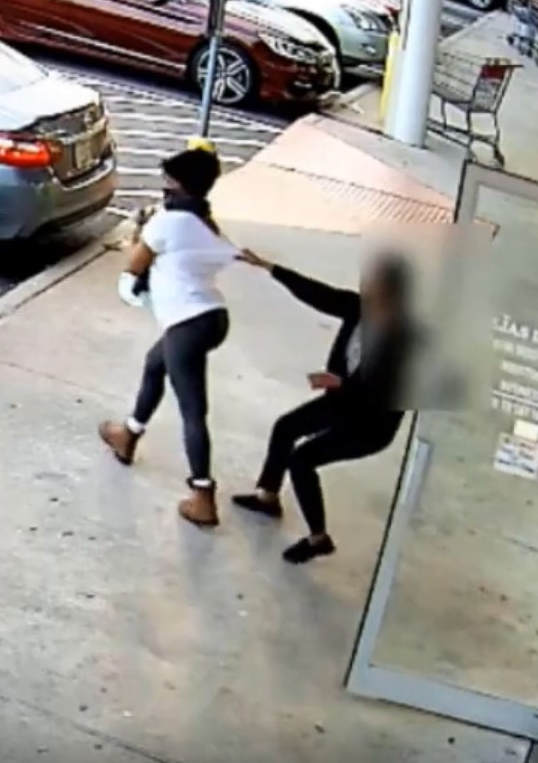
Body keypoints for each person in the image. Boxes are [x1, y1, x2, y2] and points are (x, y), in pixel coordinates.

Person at [230, 249, 416, 563]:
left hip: (370, 424)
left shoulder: (404, 339)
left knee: (302, 461)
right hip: (342, 402)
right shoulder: (361, 309)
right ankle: (268, 496)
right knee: (286, 427)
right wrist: (271, 268)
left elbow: (380, 392)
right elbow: (320, 295)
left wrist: (336, 383)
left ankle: (318, 538)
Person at [98, 145, 237, 526]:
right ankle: (127, 435)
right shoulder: (204, 223)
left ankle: (203, 495)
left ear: (180, 186)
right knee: (154, 365)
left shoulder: (167, 221)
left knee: (193, 411)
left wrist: (133, 284)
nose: (164, 190)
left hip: (187, 323)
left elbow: (135, 263)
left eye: (168, 184)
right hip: (212, 316)